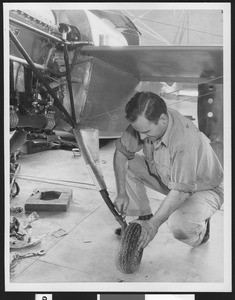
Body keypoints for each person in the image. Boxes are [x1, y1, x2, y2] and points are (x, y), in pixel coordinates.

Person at [113, 91, 223, 250]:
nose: (142, 138)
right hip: (170, 178)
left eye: (146, 132)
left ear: (163, 119)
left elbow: (180, 192)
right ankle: (144, 216)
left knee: (179, 226)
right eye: (138, 131)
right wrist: (121, 192)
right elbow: (121, 154)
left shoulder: (184, 139)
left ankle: (201, 232)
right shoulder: (146, 121)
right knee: (129, 164)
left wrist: (153, 226)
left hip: (204, 188)